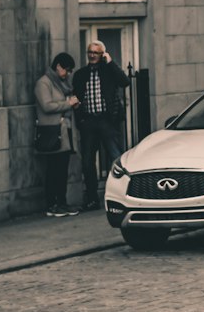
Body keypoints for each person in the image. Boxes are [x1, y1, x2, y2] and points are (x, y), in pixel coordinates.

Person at [72, 40, 131, 211]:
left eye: (96, 53)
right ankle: (92, 199)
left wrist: (110, 62)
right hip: (89, 122)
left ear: (102, 55)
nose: (92, 55)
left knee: (115, 157)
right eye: (90, 52)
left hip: (107, 121)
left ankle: (121, 197)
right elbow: (77, 96)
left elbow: (125, 81)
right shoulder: (80, 74)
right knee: (88, 162)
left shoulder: (109, 71)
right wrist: (80, 118)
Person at [34, 53, 81, 217]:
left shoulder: (62, 83)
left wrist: (72, 104)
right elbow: (46, 106)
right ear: (58, 66)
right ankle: (52, 204)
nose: (68, 74)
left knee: (62, 170)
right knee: (53, 169)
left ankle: (62, 202)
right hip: (52, 132)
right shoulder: (44, 83)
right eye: (66, 70)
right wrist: (67, 103)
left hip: (65, 131)